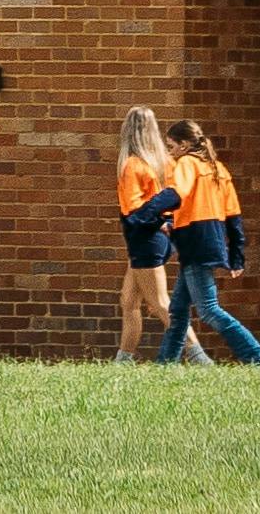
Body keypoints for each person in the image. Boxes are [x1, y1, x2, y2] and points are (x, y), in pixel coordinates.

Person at [157, 119, 260, 363]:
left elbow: (179, 193)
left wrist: (151, 213)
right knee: (178, 311)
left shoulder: (187, 163)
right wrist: (237, 257)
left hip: (195, 243)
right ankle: (164, 365)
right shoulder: (218, 169)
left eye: (171, 146)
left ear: (185, 145)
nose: (169, 151)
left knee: (209, 310)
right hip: (210, 241)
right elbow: (234, 217)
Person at [111, 106, 184, 359]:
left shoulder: (132, 164)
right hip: (159, 237)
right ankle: (124, 359)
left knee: (161, 303)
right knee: (129, 302)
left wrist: (152, 222)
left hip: (145, 239)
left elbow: (133, 209)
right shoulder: (166, 162)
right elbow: (179, 196)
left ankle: (198, 355)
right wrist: (168, 223)